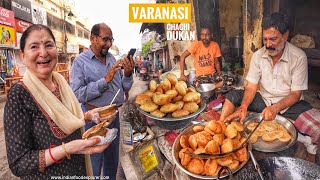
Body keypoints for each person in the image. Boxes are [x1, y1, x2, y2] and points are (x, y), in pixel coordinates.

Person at [4, 24, 110, 179]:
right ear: (23, 56)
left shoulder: (60, 82)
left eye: (49, 45)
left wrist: (88, 116)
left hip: (79, 172)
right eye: (34, 47)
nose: (43, 53)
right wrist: (67, 149)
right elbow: (19, 164)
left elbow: (67, 118)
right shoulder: (19, 95)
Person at [219, 12, 312, 123]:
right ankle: (220, 123)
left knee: (310, 118)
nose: (268, 45)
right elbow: (251, 87)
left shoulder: (299, 57)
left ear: (285, 36)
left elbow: (296, 94)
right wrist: (243, 107)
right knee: (234, 95)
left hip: (289, 105)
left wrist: (275, 108)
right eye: (265, 39)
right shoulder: (258, 55)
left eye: (273, 39)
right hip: (264, 101)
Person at [70, 23, 134, 179]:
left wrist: (127, 74)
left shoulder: (112, 59)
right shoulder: (80, 62)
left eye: (111, 40)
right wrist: (104, 80)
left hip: (113, 117)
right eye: (105, 39)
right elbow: (77, 94)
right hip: (94, 120)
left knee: (112, 160)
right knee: (94, 162)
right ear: (93, 38)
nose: (109, 44)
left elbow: (124, 88)